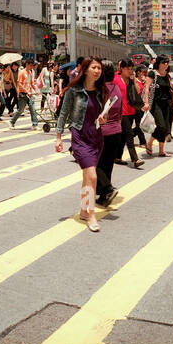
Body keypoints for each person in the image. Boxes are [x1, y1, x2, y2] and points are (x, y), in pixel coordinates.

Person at [55, 57, 109, 233]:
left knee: (87, 177)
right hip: (79, 136)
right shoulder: (74, 90)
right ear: (85, 69)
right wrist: (58, 137)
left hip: (96, 136)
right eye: (94, 67)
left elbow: (103, 115)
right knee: (92, 176)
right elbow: (64, 113)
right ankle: (92, 214)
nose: (97, 71)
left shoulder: (101, 90)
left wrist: (103, 117)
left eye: (99, 68)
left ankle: (84, 210)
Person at [95, 60, 125, 204]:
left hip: (102, 132)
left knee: (94, 164)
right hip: (116, 132)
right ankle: (103, 195)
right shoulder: (117, 88)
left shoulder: (99, 90)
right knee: (107, 165)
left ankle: (107, 188)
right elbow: (120, 113)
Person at [114, 60, 145, 168]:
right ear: (121, 69)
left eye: (132, 69)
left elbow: (138, 90)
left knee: (123, 136)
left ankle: (117, 157)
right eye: (128, 69)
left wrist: (134, 79)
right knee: (129, 135)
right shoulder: (116, 79)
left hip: (131, 110)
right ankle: (135, 159)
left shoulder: (131, 80)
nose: (130, 71)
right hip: (121, 112)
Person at [146, 56, 173, 157]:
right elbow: (146, 90)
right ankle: (149, 142)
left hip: (166, 104)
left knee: (165, 128)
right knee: (161, 126)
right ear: (159, 63)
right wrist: (146, 103)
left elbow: (169, 87)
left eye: (167, 62)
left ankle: (161, 150)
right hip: (156, 104)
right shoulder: (152, 74)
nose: (166, 64)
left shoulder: (167, 75)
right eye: (164, 62)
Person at [9, 59, 39, 130]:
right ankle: (12, 122)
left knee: (32, 109)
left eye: (32, 66)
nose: (32, 67)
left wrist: (36, 90)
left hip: (29, 94)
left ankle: (35, 124)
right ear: (27, 64)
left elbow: (31, 84)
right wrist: (26, 91)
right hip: (23, 94)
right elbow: (19, 83)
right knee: (21, 110)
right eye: (31, 65)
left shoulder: (30, 73)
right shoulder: (22, 72)